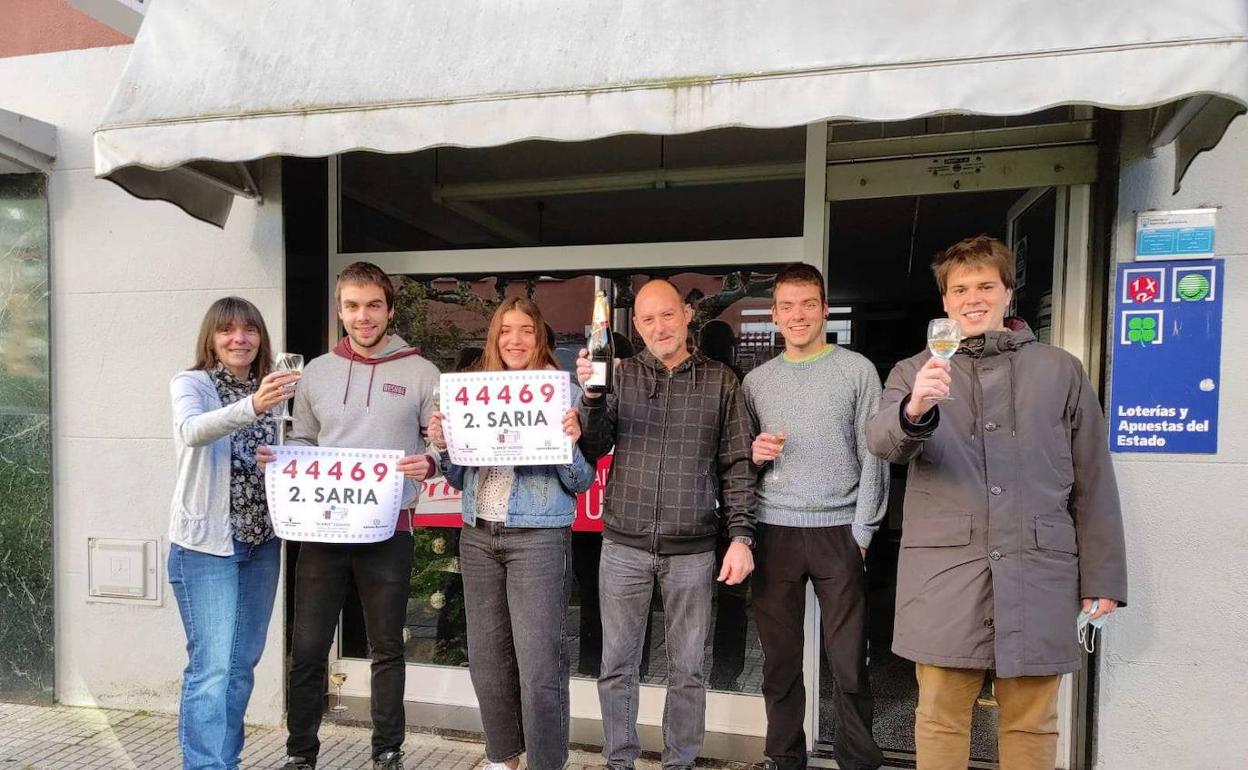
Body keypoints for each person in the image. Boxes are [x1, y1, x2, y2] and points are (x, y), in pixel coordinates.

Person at [866, 236, 1127, 770]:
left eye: (986, 285)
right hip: (947, 575)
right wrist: (915, 408)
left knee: (1032, 720)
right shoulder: (914, 371)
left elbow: (1093, 477)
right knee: (940, 717)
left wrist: (1103, 578)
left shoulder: (1061, 370)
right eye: (960, 289)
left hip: (1039, 570)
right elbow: (882, 442)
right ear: (945, 300)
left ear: (1008, 292)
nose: (973, 298)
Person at [257, 262, 441, 770]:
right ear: (340, 311)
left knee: (387, 648)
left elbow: (441, 444)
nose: (363, 316)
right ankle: (300, 754)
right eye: (353, 306)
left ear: (390, 310)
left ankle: (387, 751)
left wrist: (430, 462)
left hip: (389, 528)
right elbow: (302, 439)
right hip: (322, 527)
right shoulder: (316, 372)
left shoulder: (423, 373)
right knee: (308, 647)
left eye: (373, 305)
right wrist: (282, 458)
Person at [576, 278, 756, 770]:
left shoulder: (721, 382)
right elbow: (593, 447)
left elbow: (738, 465)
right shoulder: (621, 376)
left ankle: (680, 763)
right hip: (623, 546)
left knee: (688, 670)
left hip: (692, 550)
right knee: (617, 666)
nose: (660, 327)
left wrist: (741, 536)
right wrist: (591, 397)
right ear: (636, 326)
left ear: (687, 315)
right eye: (649, 319)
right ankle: (619, 761)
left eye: (668, 314)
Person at [427, 297, 595, 770]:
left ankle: (546, 762)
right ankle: (504, 757)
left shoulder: (563, 394)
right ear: (493, 338)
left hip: (538, 538)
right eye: (505, 330)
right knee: (487, 659)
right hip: (478, 535)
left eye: (525, 330)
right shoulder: (474, 391)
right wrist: (445, 445)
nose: (514, 340)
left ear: (539, 337)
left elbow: (581, 481)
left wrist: (568, 442)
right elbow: (457, 477)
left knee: (539, 663)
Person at [745, 264, 887, 770]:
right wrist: (754, 455)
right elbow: (739, 461)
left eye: (808, 303)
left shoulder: (857, 371)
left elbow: (875, 454)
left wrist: (863, 529)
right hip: (774, 530)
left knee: (849, 662)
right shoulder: (756, 381)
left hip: (840, 530)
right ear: (774, 314)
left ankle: (857, 760)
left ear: (825, 309)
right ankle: (784, 758)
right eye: (787, 305)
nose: (798, 315)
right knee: (780, 662)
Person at [167, 297, 299, 770]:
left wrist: (280, 456)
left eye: (249, 330)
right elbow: (192, 430)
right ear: (212, 338)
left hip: (261, 544)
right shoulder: (193, 383)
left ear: (262, 338)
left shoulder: (276, 389)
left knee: (241, 667)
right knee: (212, 669)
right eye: (227, 330)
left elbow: (289, 452)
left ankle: (227, 761)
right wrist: (253, 405)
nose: (239, 339)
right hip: (207, 548)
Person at [697, 319, 750, 692]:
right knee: (732, 597)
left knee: (696, 599)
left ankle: (710, 672)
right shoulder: (740, 383)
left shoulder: (718, 383)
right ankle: (725, 674)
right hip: (731, 508)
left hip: (704, 507)